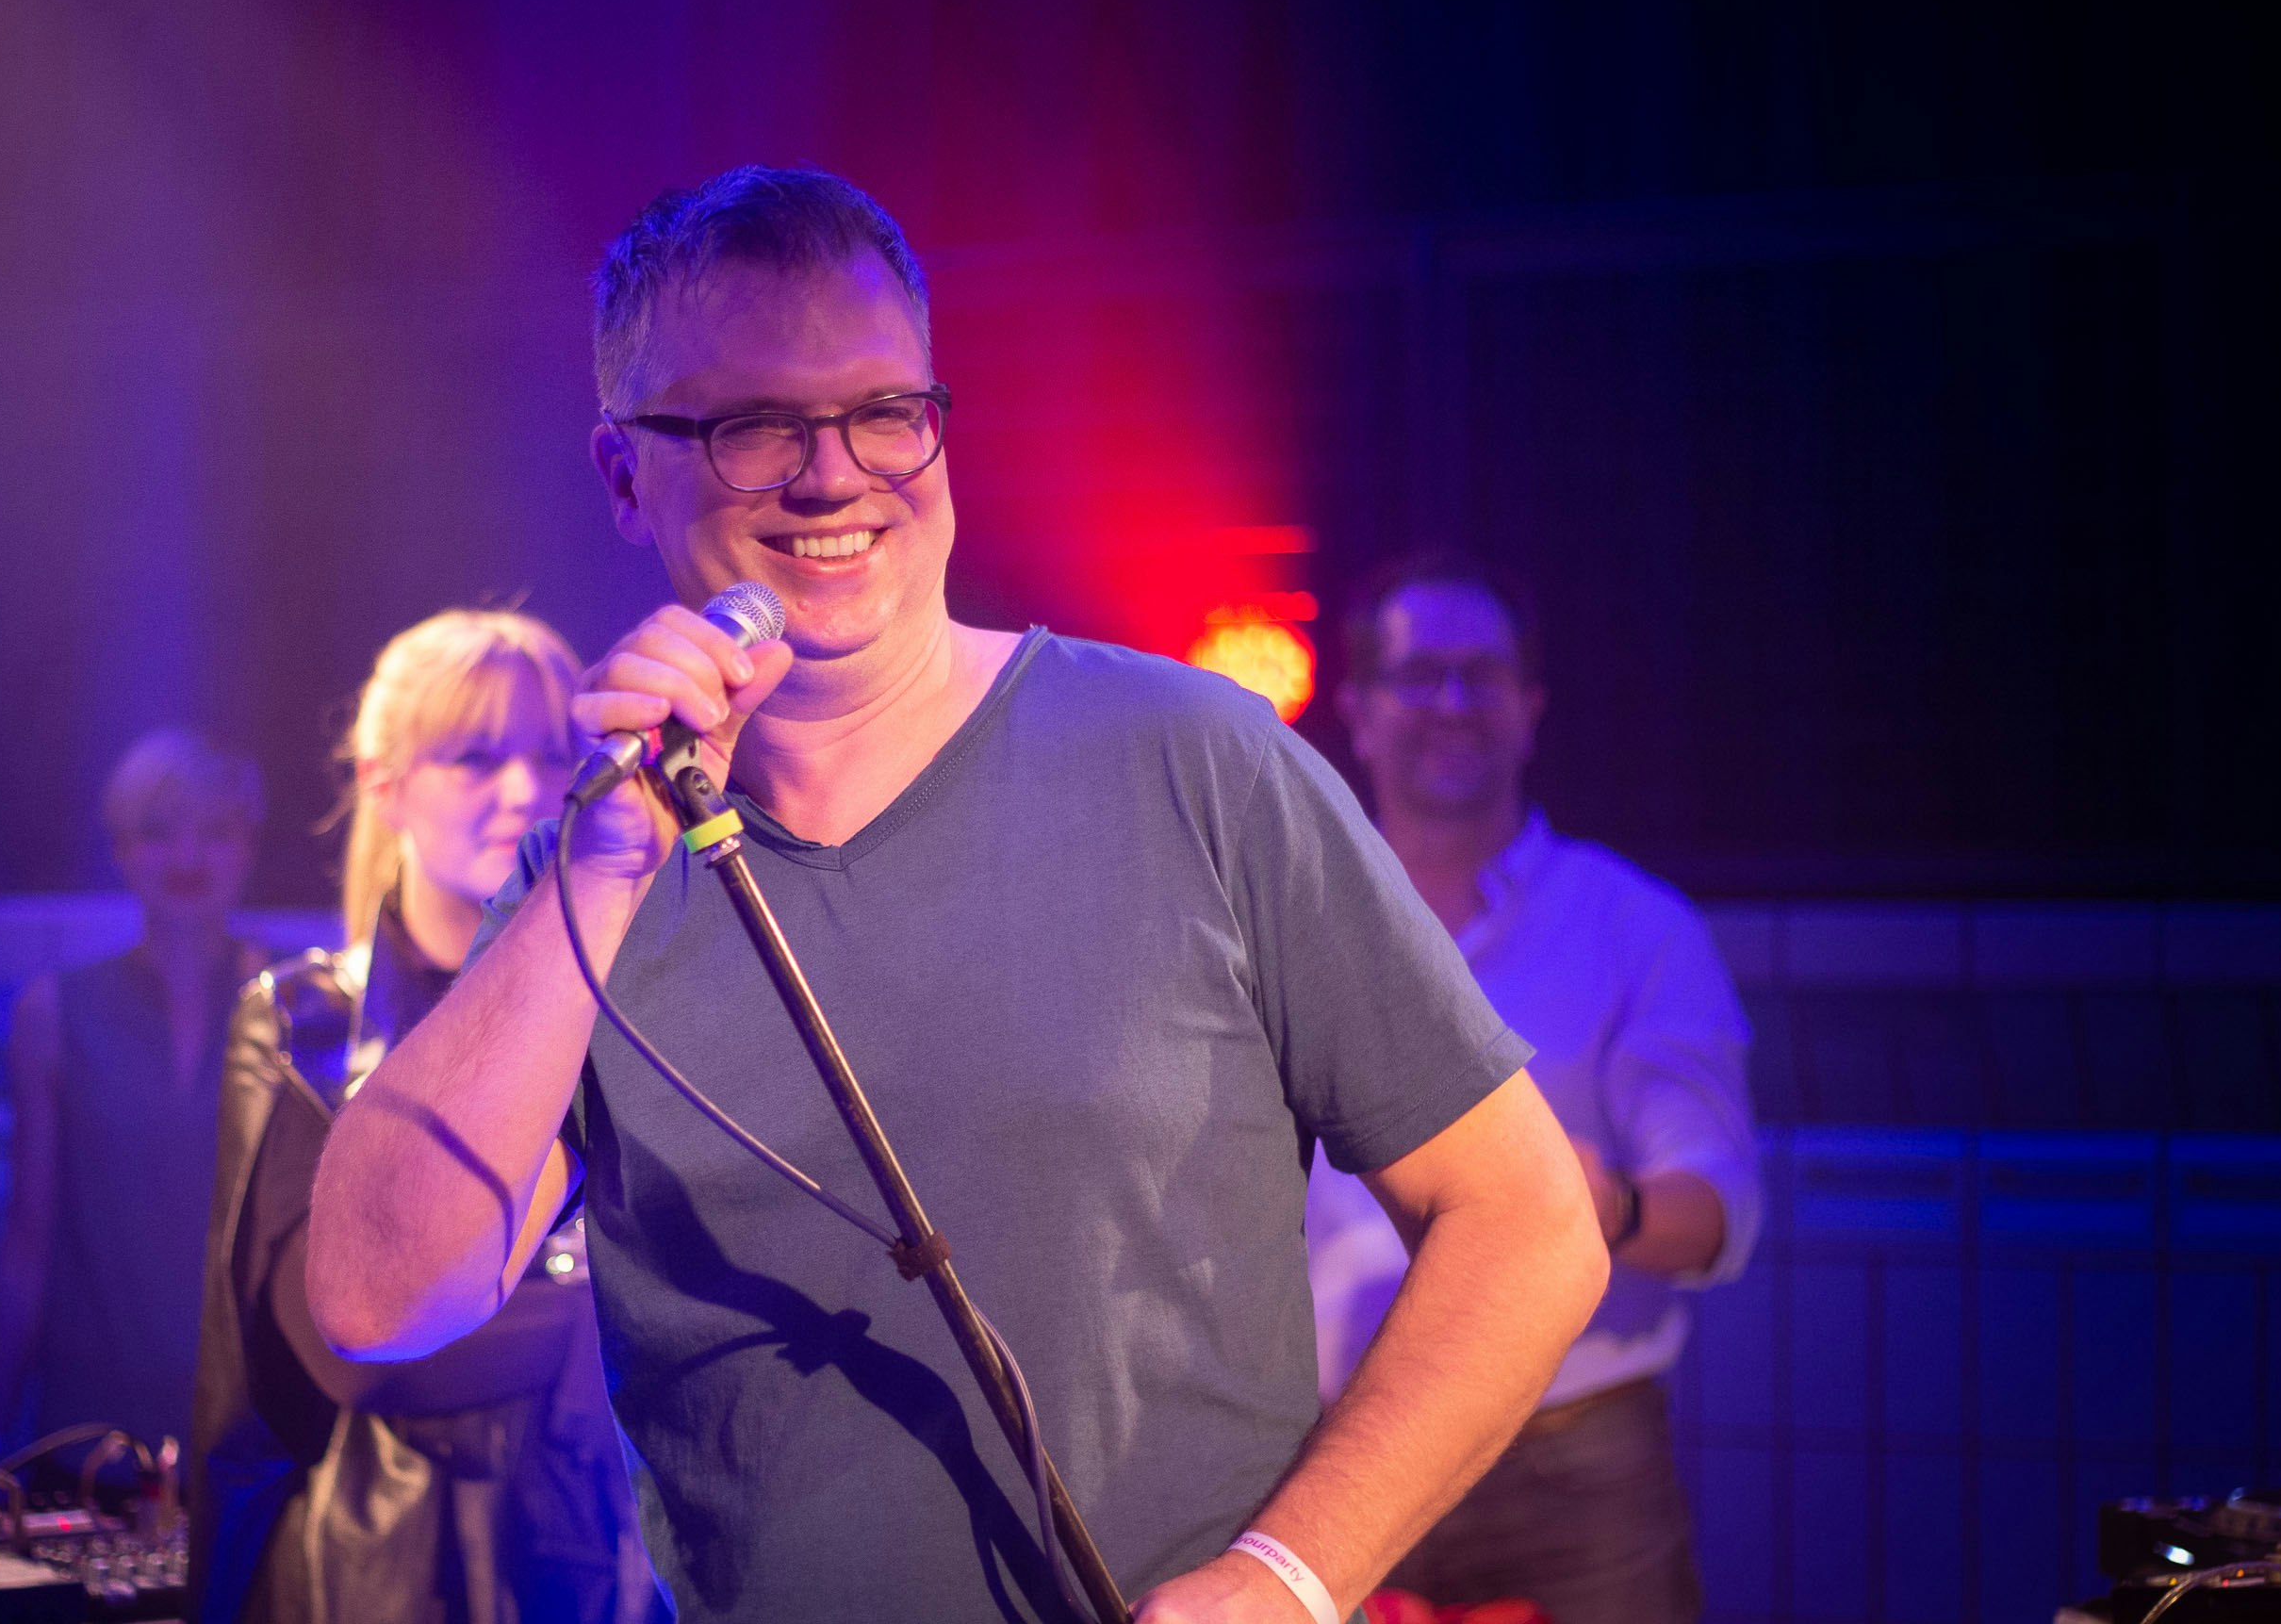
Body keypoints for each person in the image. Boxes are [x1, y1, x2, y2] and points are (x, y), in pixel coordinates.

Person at [301, 166, 1612, 1624]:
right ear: (624, 476)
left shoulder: (1197, 763)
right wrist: (606, 863)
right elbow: (370, 1295)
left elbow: (1527, 1220)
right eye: (751, 428)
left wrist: (1286, 1579)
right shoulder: (596, 873)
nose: (833, 474)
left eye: (883, 413)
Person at [1309, 551, 1762, 1624]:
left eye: (1483, 674)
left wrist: (1604, 1205)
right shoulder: (1297, 918)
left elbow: (1718, 1212)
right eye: (1419, 676)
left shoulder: (1633, 925)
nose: (1453, 702)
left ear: (1530, 707)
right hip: (1328, 1448)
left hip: (1573, 1457)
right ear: (1359, 711)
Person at [190, 609, 663, 1622]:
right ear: (383, 781)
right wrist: (610, 1312)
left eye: (550, 753)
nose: (526, 790)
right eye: (474, 756)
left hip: (596, 1571)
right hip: (371, 1575)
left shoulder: (630, 1006)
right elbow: (351, 1347)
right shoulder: (302, 1019)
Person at [0, 728, 271, 1454]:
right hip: (89, 1420)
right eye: (159, 834)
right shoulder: (52, 1012)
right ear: (120, 851)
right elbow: (27, 1238)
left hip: (250, 1414)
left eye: (214, 832)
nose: (188, 858)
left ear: (249, 847)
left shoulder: (302, 1005)